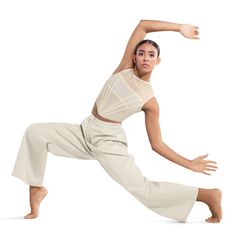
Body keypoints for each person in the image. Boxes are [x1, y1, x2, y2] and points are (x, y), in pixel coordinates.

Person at [12, 19, 222, 223]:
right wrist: (178, 28)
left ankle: (207, 195)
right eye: (141, 54)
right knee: (35, 133)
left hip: (109, 142)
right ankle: (36, 188)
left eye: (151, 55)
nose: (145, 58)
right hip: (84, 131)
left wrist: (189, 163)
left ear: (158, 61)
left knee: (144, 190)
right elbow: (143, 25)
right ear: (134, 58)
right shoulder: (124, 68)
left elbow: (157, 144)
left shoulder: (150, 101)